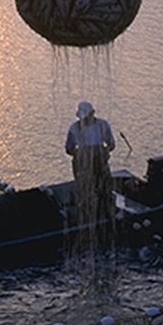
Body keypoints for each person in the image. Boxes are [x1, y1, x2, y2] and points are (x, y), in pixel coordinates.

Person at [65, 101, 116, 246]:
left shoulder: (103, 125)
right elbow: (68, 148)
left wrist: (104, 151)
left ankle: (107, 215)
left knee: (105, 188)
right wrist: (80, 154)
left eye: (86, 117)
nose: (83, 120)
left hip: (100, 161)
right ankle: (86, 218)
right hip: (82, 163)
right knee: (84, 189)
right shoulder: (74, 128)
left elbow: (111, 143)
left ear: (93, 113)